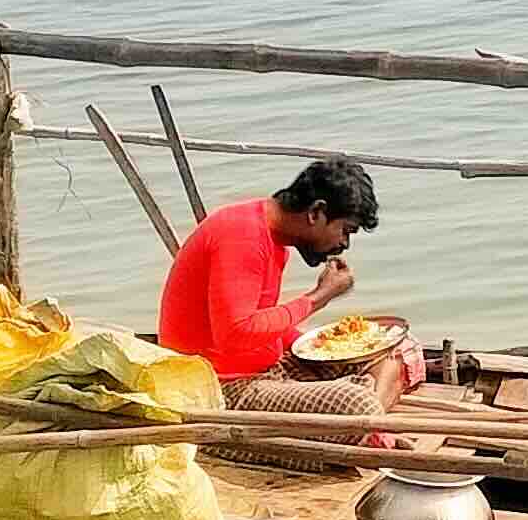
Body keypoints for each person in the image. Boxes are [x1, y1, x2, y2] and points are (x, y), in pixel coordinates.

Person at [157, 156, 376, 396]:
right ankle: (367, 419)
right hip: (220, 384)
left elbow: (260, 321)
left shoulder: (274, 238)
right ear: (316, 212)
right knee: (354, 399)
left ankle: (367, 421)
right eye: (345, 231)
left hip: (265, 368)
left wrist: (321, 347)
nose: (344, 243)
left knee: (397, 354)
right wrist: (319, 297)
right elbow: (236, 333)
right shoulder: (243, 235)